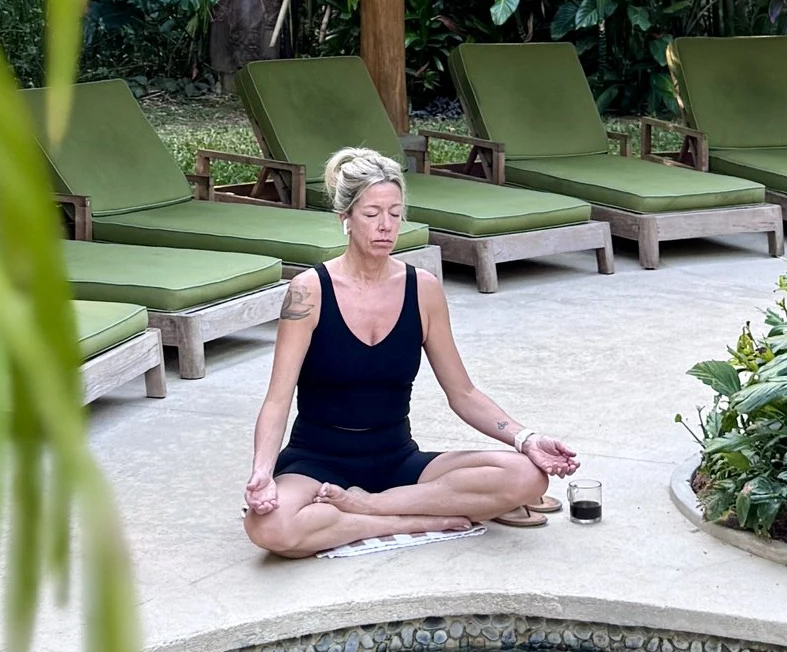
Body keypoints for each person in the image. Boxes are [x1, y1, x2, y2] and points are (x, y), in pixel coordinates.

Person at [242, 147, 581, 555]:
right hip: (317, 461)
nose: (386, 226)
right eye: (371, 214)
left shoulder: (422, 289)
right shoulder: (308, 292)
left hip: (397, 458)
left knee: (526, 477)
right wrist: (263, 471)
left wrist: (526, 438)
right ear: (345, 219)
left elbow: (463, 394)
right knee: (269, 529)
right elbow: (277, 400)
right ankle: (423, 519)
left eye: (395, 213)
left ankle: (370, 508)